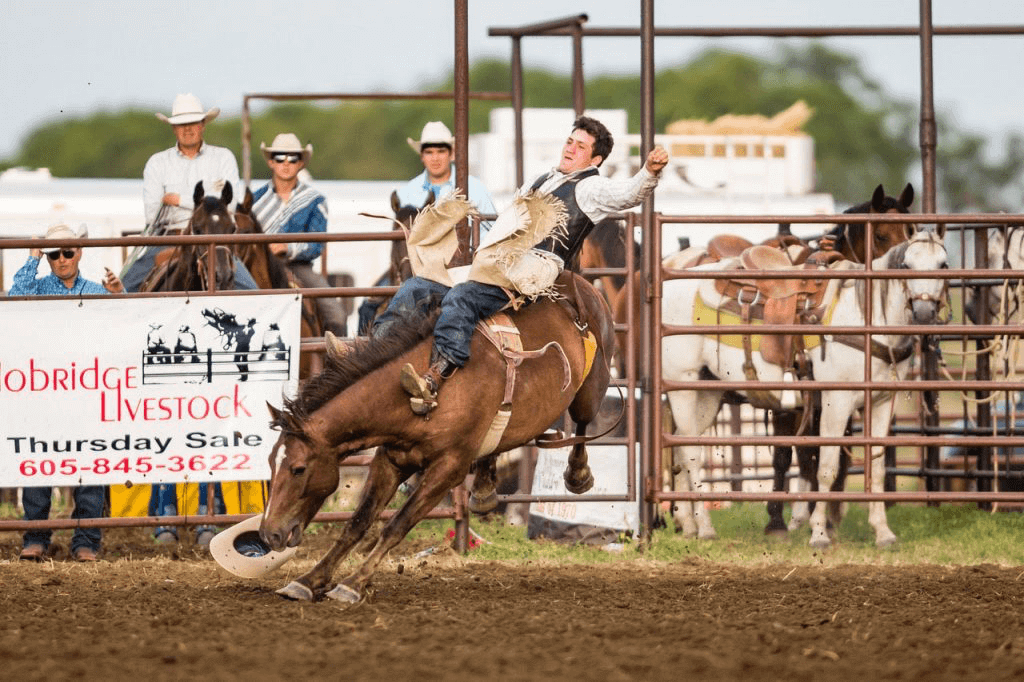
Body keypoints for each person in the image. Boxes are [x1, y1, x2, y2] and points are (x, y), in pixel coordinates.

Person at [381, 116, 668, 413]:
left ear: (595, 160)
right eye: (570, 141)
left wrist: (648, 172)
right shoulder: (542, 180)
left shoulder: (590, 188)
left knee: (461, 299)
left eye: (580, 146)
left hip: (532, 271)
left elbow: (628, 195)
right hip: (503, 262)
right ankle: (376, 354)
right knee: (415, 287)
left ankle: (437, 376)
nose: (570, 148)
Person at [10, 223, 122, 562]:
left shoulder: (99, 290)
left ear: (79, 252)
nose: (61, 259)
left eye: (67, 251)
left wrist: (120, 294)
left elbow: (123, 324)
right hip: (45, 390)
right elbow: (15, 300)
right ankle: (36, 537)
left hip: (87, 390)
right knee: (39, 463)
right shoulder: (37, 286)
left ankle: (86, 540)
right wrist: (32, 258)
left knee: (91, 464)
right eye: (54, 253)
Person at [121, 93, 257, 292]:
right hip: (169, 239)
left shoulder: (223, 158)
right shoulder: (157, 163)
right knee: (123, 290)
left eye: (193, 123)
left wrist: (178, 200)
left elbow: (229, 204)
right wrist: (210, 198)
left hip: (215, 239)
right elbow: (152, 215)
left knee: (253, 293)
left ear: (202, 124)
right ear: (174, 128)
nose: (187, 129)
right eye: (181, 124)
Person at [251, 133, 347, 336]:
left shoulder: (315, 200)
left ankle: (338, 366)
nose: (286, 164)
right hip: (259, 266)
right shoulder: (254, 200)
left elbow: (316, 245)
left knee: (337, 315)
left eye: (293, 158)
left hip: (299, 267)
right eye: (279, 158)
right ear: (271, 162)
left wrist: (287, 248)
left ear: (300, 163)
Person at [397, 120, 497, 239]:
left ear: (452, 154)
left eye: (441, 151)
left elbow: (491, 231)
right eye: (429, 152)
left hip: (468, 257)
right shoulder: (407, 193)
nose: (435, 158)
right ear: (422, 156)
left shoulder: (475, 188)